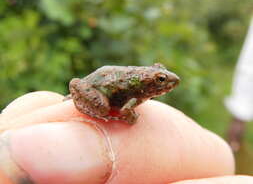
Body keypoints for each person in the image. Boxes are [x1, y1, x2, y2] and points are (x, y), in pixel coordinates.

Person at [0, 91, 252, 184]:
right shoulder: (138, 95)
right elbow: (129, 114)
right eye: (161, 80)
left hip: (88, 84)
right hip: (95, 90)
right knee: (109, 115)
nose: (167, 83)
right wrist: (122, 117)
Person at [225, 18, 253, 152]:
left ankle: (233, 146)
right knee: (240, 116)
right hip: (248, 74)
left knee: (240, 116)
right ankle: (232, 146)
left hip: (247, 73)